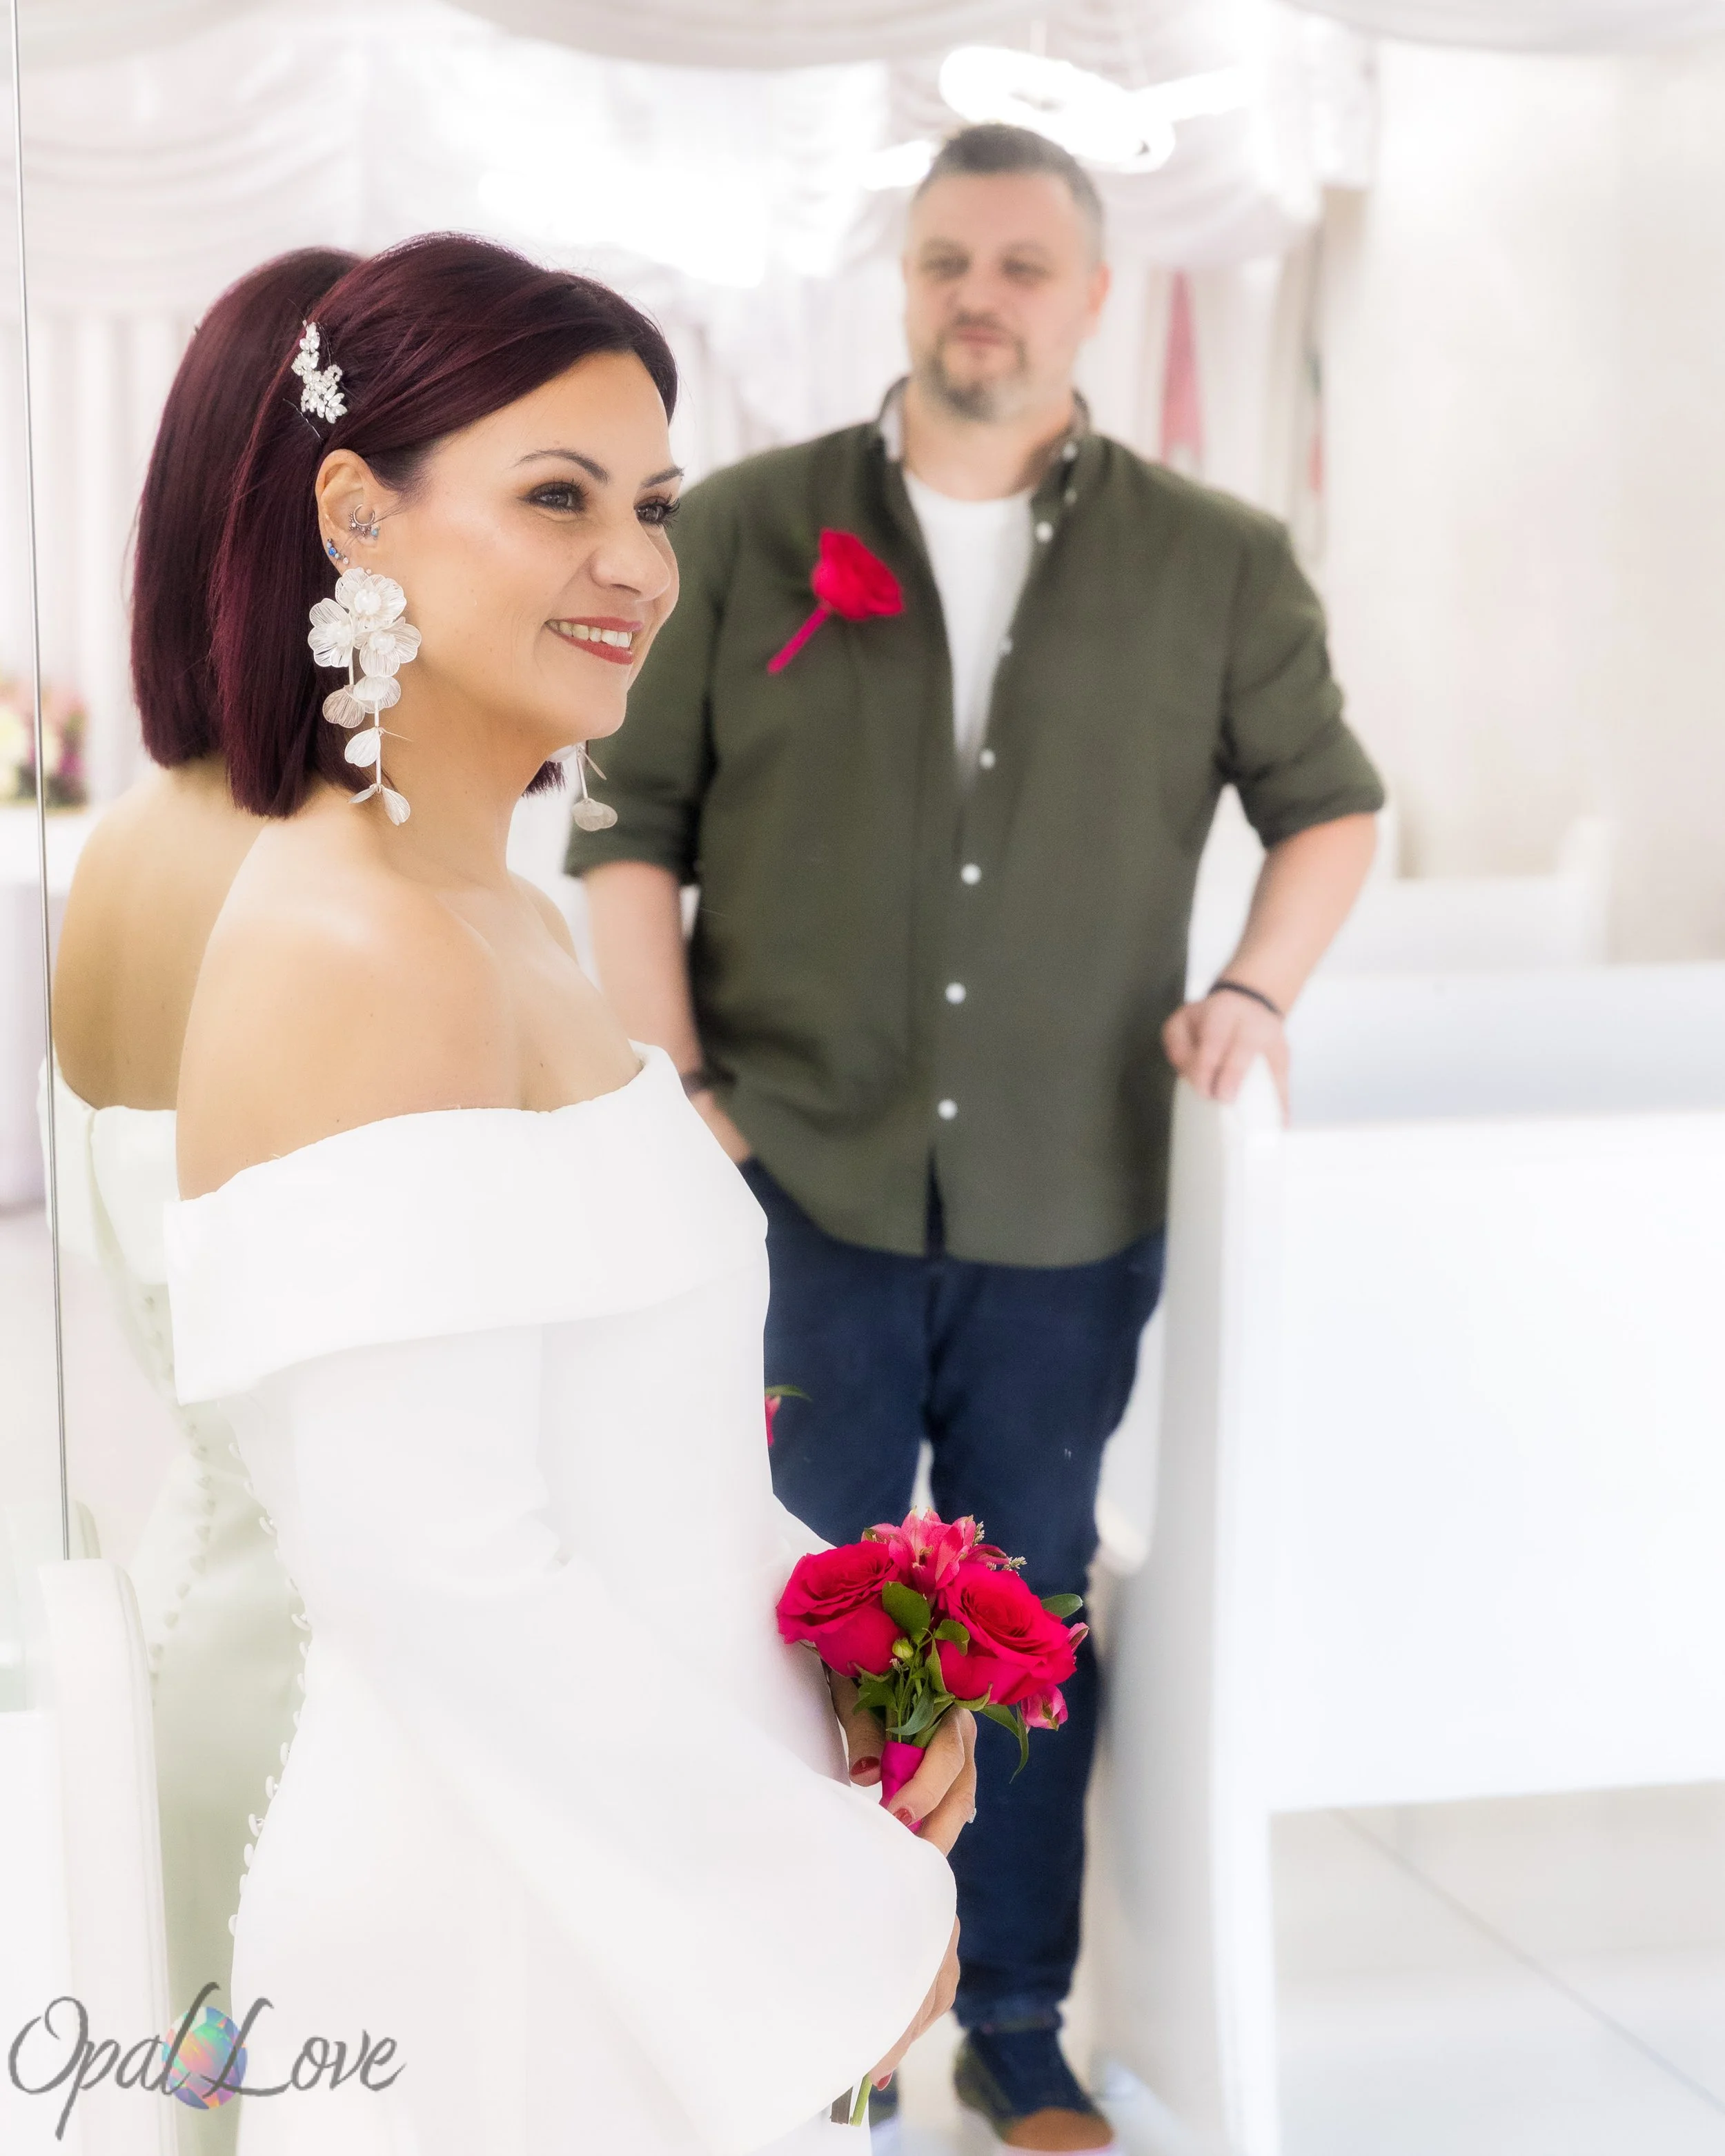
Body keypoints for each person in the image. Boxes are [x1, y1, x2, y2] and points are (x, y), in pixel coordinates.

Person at [569, 124, 1384, 2153]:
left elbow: (1330, 803)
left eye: (1024, 264)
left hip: (1066, 1189)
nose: (979, 296)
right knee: (788, 1609)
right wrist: (678, 1091)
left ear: (1091, 296)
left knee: (1020, 1608)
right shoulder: (744, 530)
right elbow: (623, 830)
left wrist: (1258, 993)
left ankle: (1010, 2013)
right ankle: (805, 2018)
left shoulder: (1214, 561)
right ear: (901, 281)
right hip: (791, 1189)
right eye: (946, 259)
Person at [167, 234, 971, 2155]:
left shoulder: (505, 918)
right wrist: (827, 1906)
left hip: (624, 1885)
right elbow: (436, 1574)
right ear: (359, 514)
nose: (637, 562)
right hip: (507, 1950)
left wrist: (842, 1664)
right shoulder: (351, 950)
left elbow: (630, 1455)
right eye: (558, 496)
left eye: (655, 503)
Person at [49, 246, 357, 2152]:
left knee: (218, 2109)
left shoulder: (143, 825)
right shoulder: (323, 876)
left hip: (209, 1619)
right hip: (314, 1693)